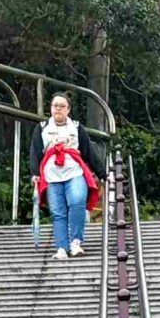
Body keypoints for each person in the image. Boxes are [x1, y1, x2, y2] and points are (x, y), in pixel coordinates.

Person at [38, 95, 99, 260]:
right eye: (55, 105)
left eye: (62, 106)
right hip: (52, 175)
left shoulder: (77, 128)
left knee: (77, 200)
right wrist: (34, 174)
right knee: (57, 212)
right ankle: (62, 247)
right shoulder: (42, 127)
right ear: (51, 108)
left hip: (74, 172)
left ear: (68, 109)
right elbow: (35, 152)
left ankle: (75, 242)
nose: (58, 108)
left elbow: (89, 152)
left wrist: (103, 173)